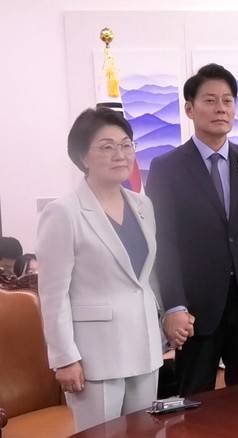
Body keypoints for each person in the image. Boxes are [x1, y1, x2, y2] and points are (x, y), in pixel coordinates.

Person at [35, 107, 191, 432]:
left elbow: (148, 276)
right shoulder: (63, 212)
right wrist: (64, 358)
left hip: (145, 346)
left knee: (146, 432)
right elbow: (53, 295)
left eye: (126, 145)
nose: (120, 155)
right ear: (82, 156)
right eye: (107, 147)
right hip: (95, 356)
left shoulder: (143, 205)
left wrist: (167, 314)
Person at [145, 63, 238, 396]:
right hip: (195, 308)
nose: (221, 108)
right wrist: (174, 305)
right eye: (210, 100)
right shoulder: (167, 168)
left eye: (228, 101)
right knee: (195, 398)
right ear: (189, 109)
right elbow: (164, 242)